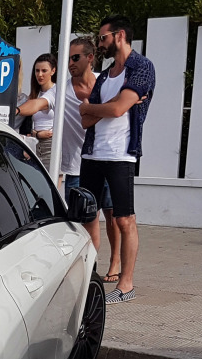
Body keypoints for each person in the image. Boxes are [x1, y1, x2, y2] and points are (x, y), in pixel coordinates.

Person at [16, 37, 122, 281]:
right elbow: (39, 103)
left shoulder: (103, 84)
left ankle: (115, 261)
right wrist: (16, 110)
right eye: (68, 59)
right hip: (75, 166)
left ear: (89, 58)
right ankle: (90, 272)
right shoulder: (60, 89)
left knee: (112, 215)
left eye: (75, 58)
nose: (71, 63)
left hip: (105, 159)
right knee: (86, 221)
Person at [79, 14, 155, 304]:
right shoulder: (105, 75)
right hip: (92, 153)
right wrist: (107, 105)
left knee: (124, 219)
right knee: (86, 216)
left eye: (103, 38)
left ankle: (126, 285)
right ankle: (87, 275)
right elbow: (84, 119)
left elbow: (117, 111)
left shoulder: (142, 68)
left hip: (121, 155)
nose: (100, 44)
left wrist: (96, 107)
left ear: (119, 36)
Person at [16, 54, 56, 169]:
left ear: (53, 71)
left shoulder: (56, 91)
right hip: (35, 143)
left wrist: (17, 110)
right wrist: (36, 134)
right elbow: (29, 125)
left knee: (52, 182)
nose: (40, 74)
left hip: (51, 144)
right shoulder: (35, 94)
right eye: (37, 71)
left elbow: (36, 106)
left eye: (44, 71)